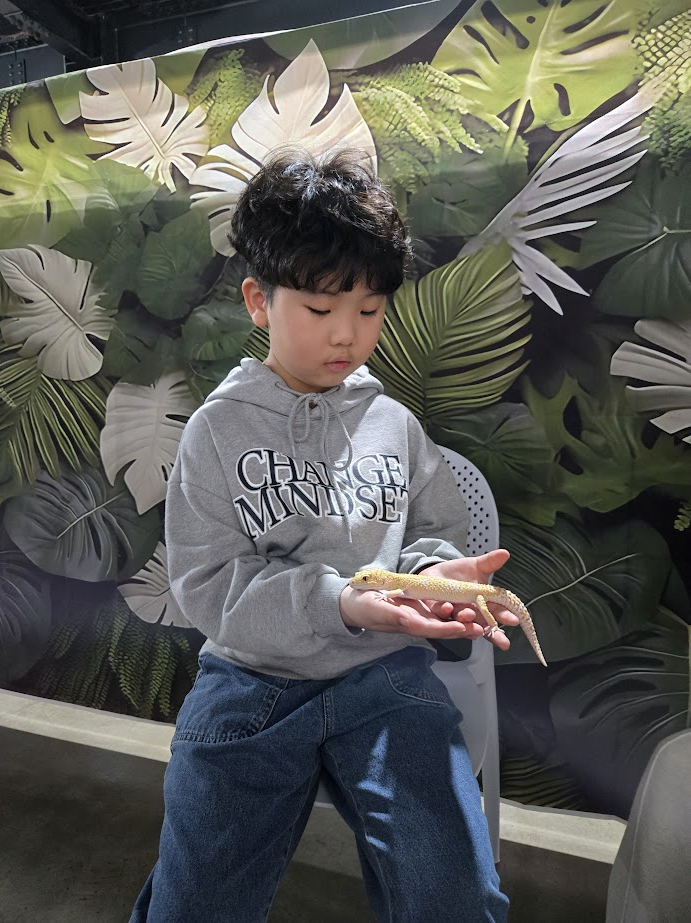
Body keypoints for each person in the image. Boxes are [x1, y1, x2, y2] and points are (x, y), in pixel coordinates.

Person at [130, 148, 515, 922]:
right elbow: (207, 585)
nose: (346, 334)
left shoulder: (395, 425)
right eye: (318, 308)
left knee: (457, 895)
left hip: (383, 679)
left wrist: (434, 576)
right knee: (194, 904)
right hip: (249, 681)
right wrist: (340, 601)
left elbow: (429, 536)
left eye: (369, 311)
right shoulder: (216, 431)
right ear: (258, 299)